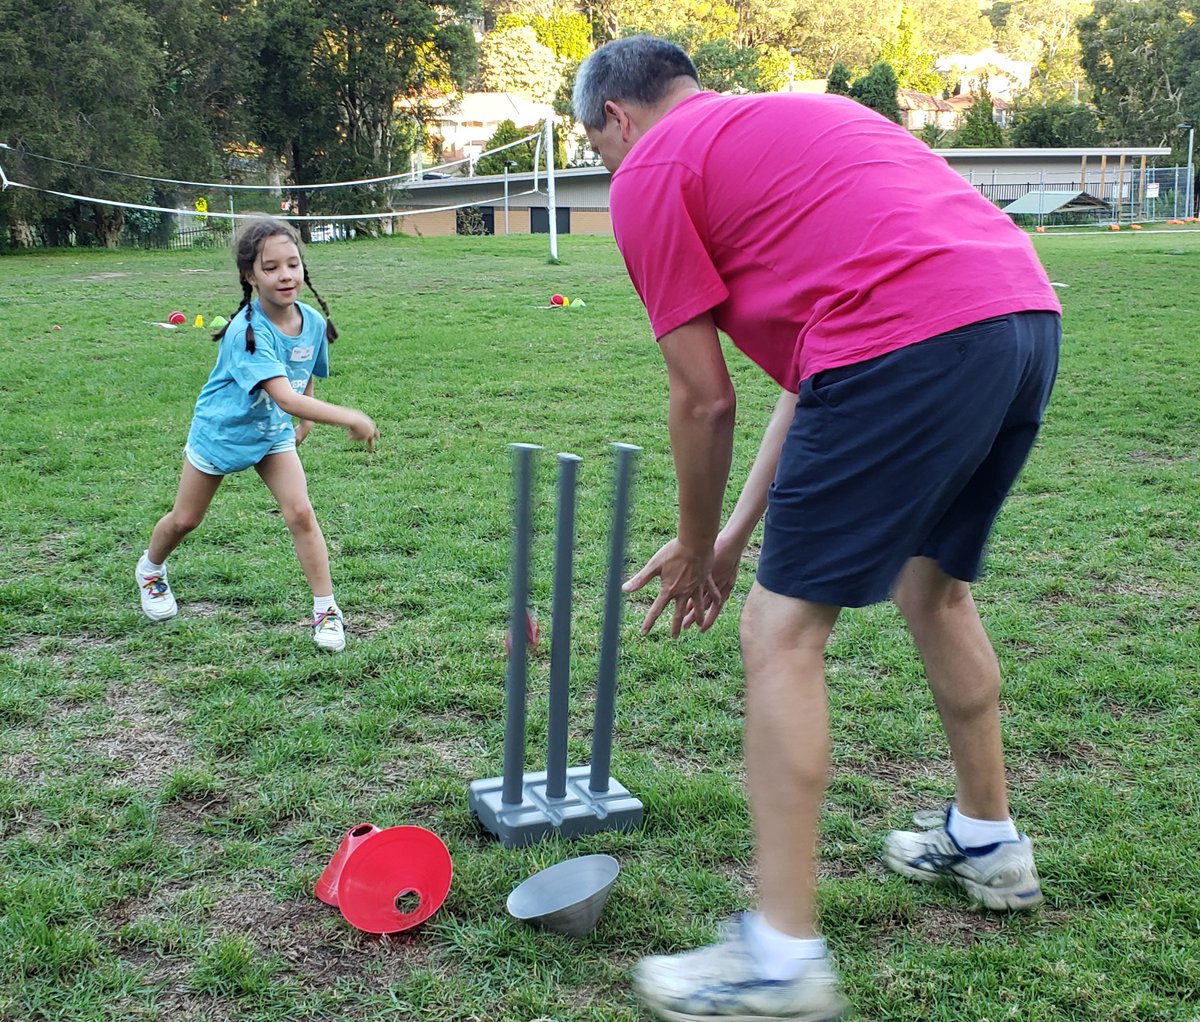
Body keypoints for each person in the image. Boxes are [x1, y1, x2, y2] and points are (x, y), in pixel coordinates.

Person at [573, 36, 1062, 1022]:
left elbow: (703, 399)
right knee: (935, 589)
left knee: (780, 633)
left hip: (912, 337)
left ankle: (781, 957)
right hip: (1019, 317)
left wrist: (701, 539)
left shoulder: (654, 167)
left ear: (616, 119)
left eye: (596, 148)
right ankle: (988, 840)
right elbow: (813, 375)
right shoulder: (790, 126)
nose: (604, 168)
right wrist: (728, 537)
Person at [136, 215, 379, 653]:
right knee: (186, 519)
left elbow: (303, 374)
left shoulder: (312, 321)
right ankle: (151, 570)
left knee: (301, 514)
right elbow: (285, 396)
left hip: (271, 437)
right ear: (250, 275)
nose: (285, 275)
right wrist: (349, 417)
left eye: (293, 264)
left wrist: (305, 423)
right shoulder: (247, 334)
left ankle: (326, 609)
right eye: (271, 268)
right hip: (221, 434)